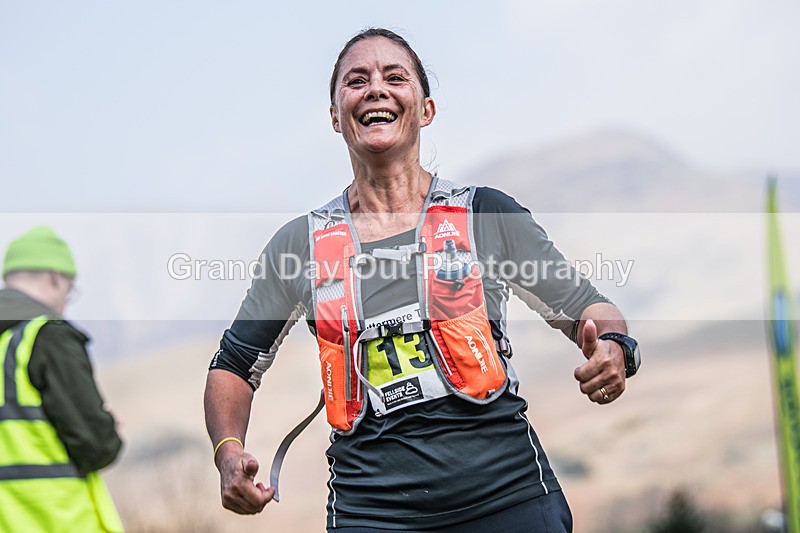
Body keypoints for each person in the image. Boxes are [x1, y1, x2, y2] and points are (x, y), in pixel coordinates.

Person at [204, 28, 640, 532]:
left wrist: (612, 344)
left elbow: (588, 305)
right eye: (356, 81)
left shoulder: (485, 214)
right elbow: (233, 366)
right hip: (372, 514)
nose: (375, 90)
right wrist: (227, 452)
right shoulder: (297, 246)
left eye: (395, 77)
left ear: (426, 109)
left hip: (509, 500)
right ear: (334, 117)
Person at [0, 226, 124, 533]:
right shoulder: (48, 338)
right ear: (56, 278)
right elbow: (98, 446)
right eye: (70, 290)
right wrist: (108, 429)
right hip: (57, 523)